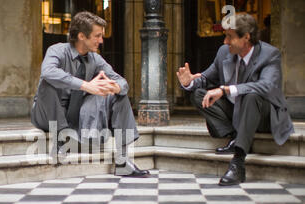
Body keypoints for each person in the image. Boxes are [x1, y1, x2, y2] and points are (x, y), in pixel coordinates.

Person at [177, 13, 294, 186]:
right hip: (236, 111)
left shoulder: (270, 55)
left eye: (229, 37)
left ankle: (238, 162)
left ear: (246, 38)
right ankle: (235, 136)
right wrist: (189, 82)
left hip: (265, 115)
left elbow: (267, 86)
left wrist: (226, 90)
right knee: (199, 94)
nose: (225, 41)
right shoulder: (225, 52)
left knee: (251, 95)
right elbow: (207, 78)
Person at [31, 11, 149, 177]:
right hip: (46, 113)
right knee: (47, 82)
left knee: (119, 94)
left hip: (77, 113)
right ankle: (61, 138)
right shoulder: (57, 50)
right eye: (97, 36)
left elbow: (122, 82)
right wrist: (86, 85)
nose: (101, 40)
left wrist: (114, 87)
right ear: (81, 36)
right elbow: (48, 72)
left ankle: (123, 160)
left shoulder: (95, 59)